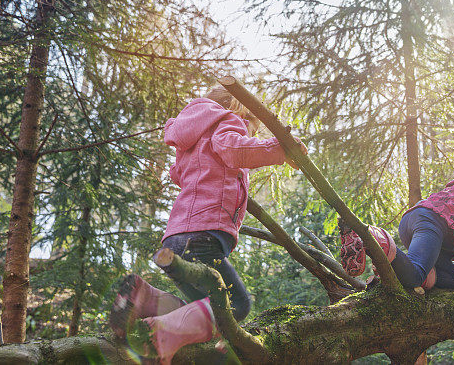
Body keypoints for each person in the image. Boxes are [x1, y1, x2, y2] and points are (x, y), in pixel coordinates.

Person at [109, 84, 306, 364]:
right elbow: (235, 150)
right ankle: (159, 335)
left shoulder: (194, 135)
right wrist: (280, 149)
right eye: (252, 124)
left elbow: (178, 174)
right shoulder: (227, 121)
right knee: (236, 305)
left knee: (203, 309)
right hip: (203, 235)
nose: (250, 132)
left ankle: (145, 298)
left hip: (177, 237)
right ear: (235, 109)